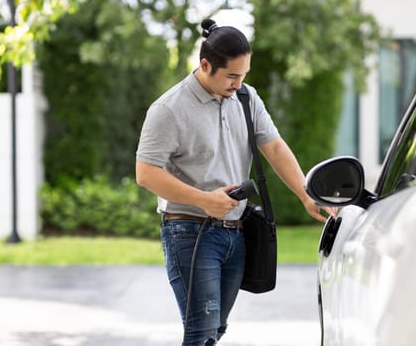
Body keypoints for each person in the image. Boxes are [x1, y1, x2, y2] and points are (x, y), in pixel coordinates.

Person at [135, 18, 333, 346]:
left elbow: (274, 146)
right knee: (201, 333)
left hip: (235, 232)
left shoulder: (246, 98)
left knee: (215, 330)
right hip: (189, 232)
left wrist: (305, 194)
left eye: (243, 75)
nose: (238, 83)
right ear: (205, 65)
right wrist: (203, 199)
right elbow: (146, 173)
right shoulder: (168, 109)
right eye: (231, 76)